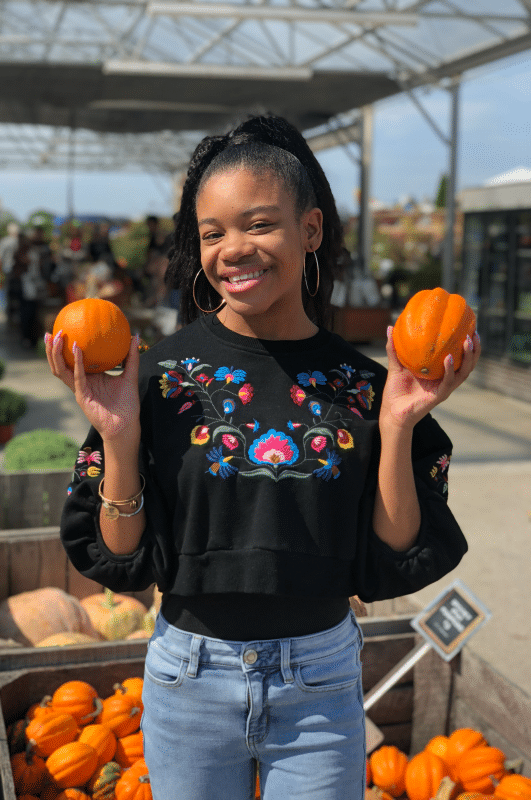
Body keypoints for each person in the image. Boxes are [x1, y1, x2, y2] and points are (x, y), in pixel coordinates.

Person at [46, 115, 480, 800]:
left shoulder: (364, 385)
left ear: (310, 230)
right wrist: (119, 435)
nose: (233, 250)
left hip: (321, 684)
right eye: (212, 233)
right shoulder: (157, 377)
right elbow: (121, 556)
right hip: (189, 680)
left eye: (258, 225)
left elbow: (395, 551)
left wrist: (397, 425)